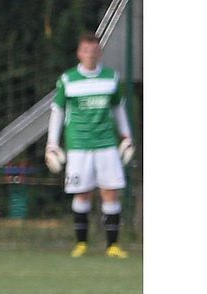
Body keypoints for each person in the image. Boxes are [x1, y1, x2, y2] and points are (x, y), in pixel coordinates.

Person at [45, 32, 134, 259]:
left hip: (106, 144)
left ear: (99, 53)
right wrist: (52, 143)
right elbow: (58, 111)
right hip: (79, 145)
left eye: (94, 51)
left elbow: (118, 109)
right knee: (82, 193)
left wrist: (126, 136)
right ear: (79, 53)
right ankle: (81, 244)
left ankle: (112, 246)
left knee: (110, 192)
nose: (90, 55)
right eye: (86, 51)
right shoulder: (68, 79)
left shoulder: (111, 78)